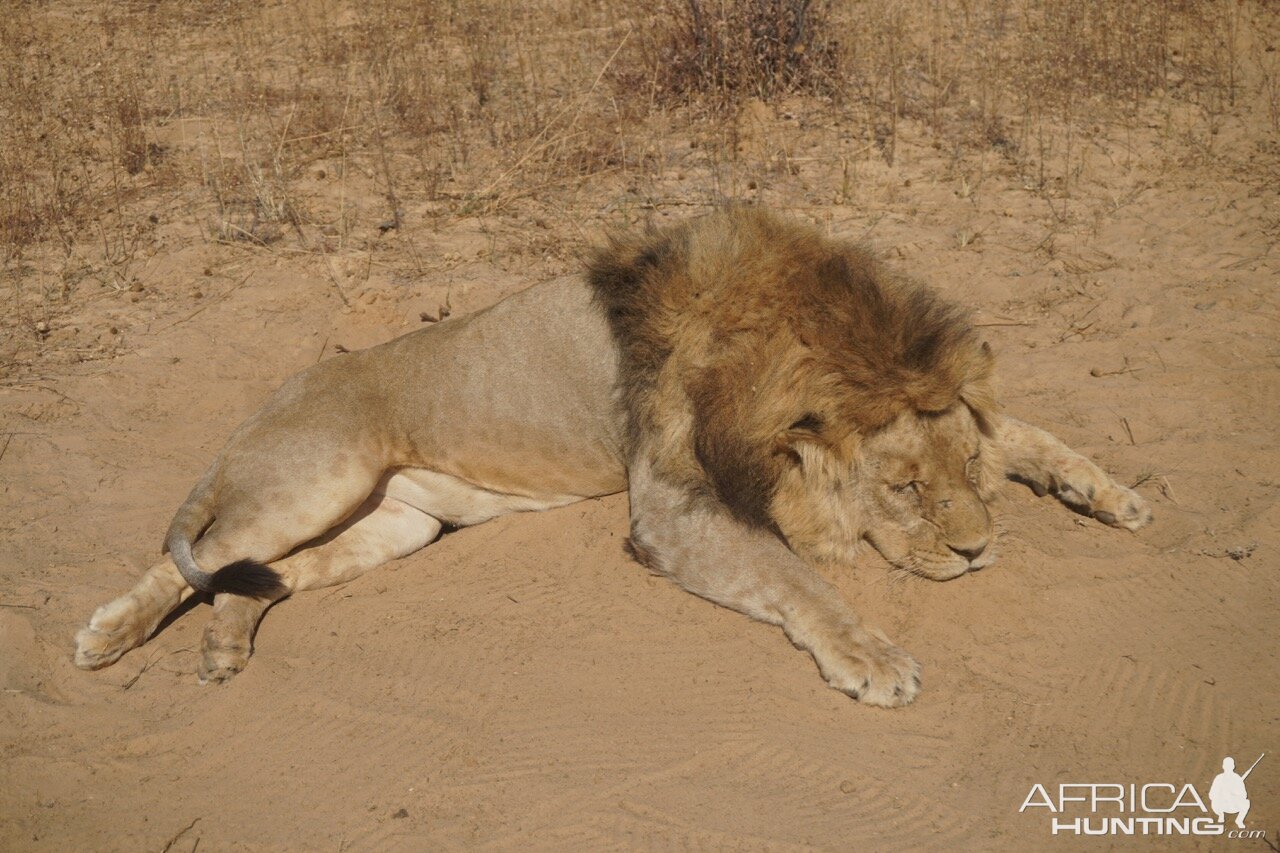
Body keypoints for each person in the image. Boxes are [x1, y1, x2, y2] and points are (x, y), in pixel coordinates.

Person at [1209, 757, 1250, 829]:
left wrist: (1234, 793)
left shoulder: (1237, 778)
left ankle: (1239, 820)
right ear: (1223, 766)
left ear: (1233, 766)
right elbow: (1211, 795)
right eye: (1226, 765)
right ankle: (1220, 815)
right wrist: (1221, 794)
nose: (1228, 767)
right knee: (1216, 802)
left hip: (1233, 805)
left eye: (1230, 765)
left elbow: (1244, 795)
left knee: (1246, 803)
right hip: (1220, 805)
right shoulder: (1219, 778)